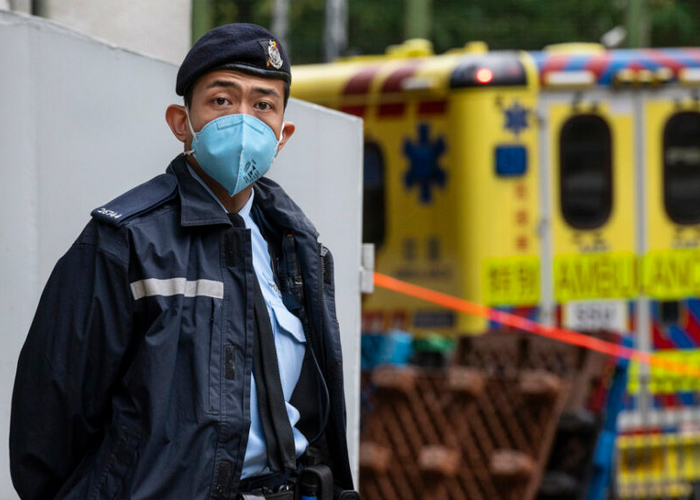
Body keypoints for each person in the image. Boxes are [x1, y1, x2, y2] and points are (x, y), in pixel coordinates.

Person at [10, 23, 355, 500]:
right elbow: (46, 435)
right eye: (221, 100)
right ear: (181, 122)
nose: (243, 119)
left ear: (282, 133)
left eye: (263, 105)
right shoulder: (124, 242)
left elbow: (313, 413)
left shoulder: (297, 249)